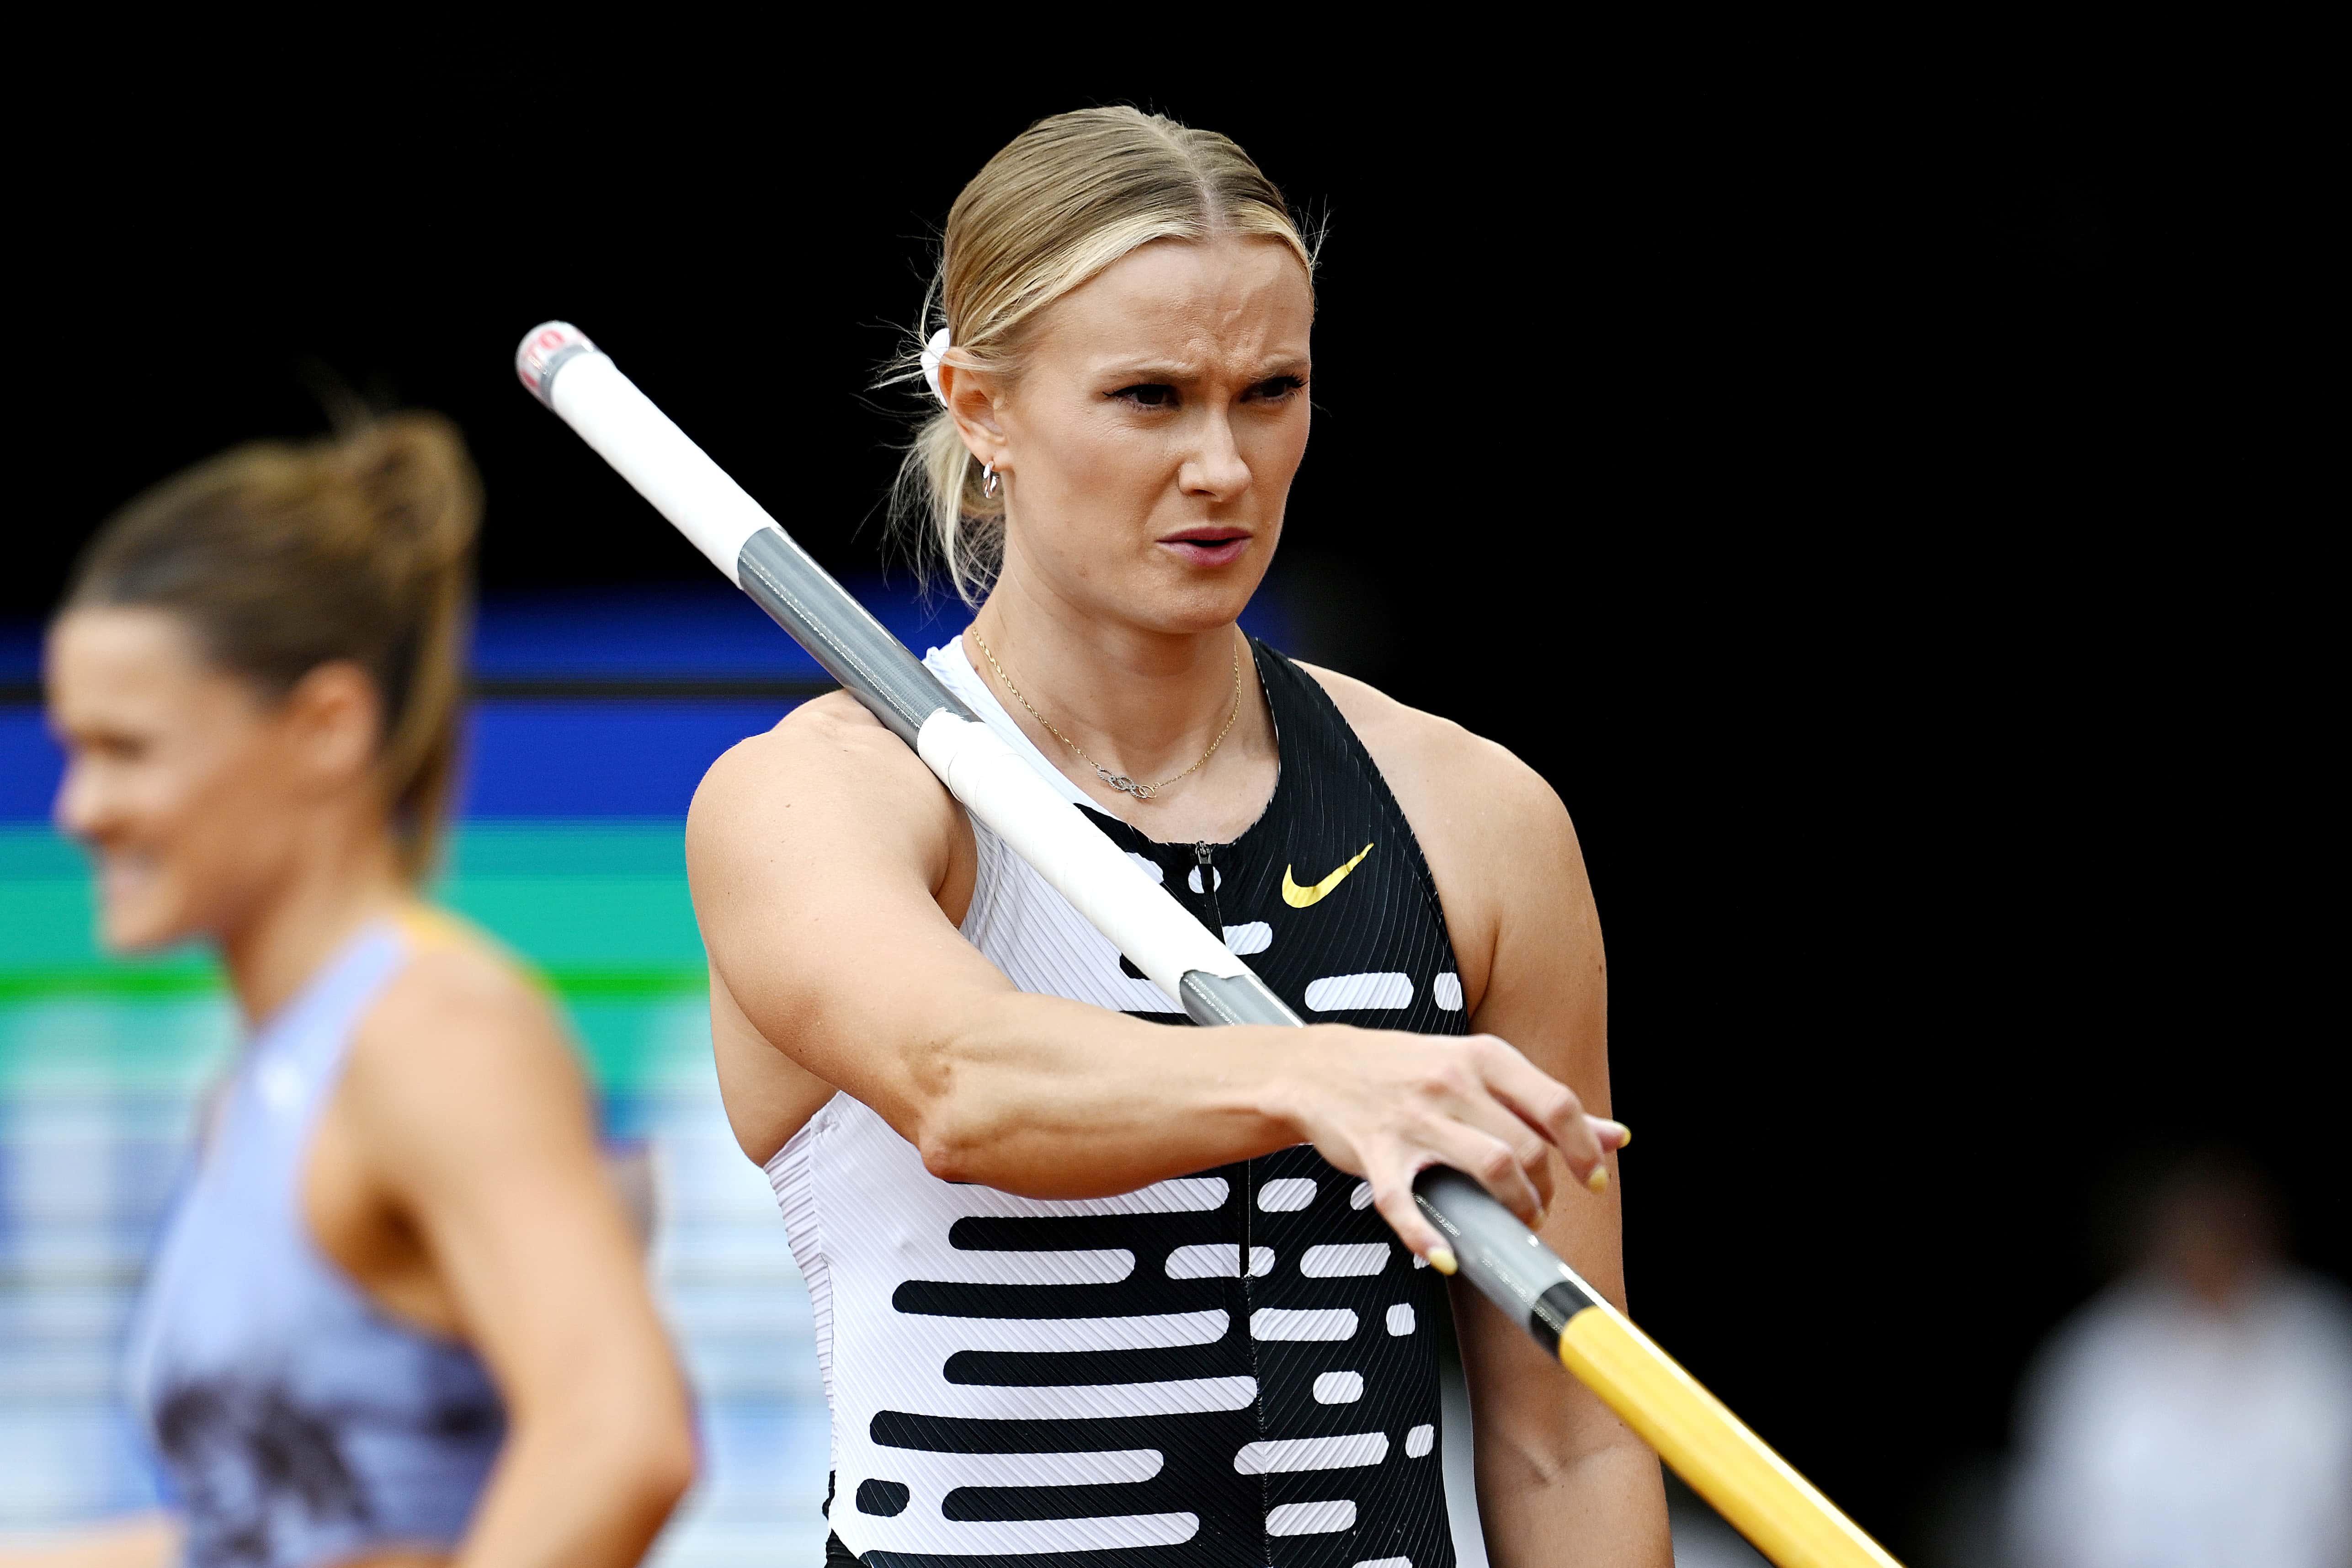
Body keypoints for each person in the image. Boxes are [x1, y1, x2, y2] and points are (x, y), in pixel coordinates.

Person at [688, 107, 1666, 1566]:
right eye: (1149, 398)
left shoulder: (1474, 817)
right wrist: (1322, 1074)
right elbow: (965, 1089)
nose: (1221, 464)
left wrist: (1348, 1080)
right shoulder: (821, 797)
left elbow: (1567, 1434)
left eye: (1268, 391)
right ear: (978, 403)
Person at [21, 417, 696, 1567]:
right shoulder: (261, 1084)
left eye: (126, 750)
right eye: (73, 752)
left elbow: (619, 1440)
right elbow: (262, 1539)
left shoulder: (437, 1032)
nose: (78, 810)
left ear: (326, 727)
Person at [2007, 1150, 2352, 1568]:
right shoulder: (2095, 1357)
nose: (2213, 1242)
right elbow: (2056, 1522)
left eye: (2229, 1223)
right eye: (2196, 1226)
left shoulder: (2321, 1340)